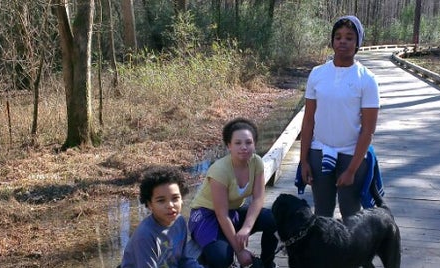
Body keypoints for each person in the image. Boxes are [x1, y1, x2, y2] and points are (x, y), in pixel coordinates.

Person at [299, 15, 381, 219]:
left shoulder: (367, 79)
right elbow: (308, 120)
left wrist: (352, 169)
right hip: (319, 151)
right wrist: (304, 160)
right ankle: (324, 252)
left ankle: (351, 253)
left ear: (357, 43)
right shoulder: (317, 74)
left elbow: (368, 130)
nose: (342, 41)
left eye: (349, 37)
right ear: (333, 41)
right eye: (338, 37)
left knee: (351, 215)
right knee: (322, 214)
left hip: (351, 154)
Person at [188, 118, 278, 268]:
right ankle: (213, 249)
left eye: (248, 142)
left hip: (232, 212)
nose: (244, 147)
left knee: (273, 219)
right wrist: (240, 250)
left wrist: (247, 228)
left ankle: (267, 263)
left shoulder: (256, 163)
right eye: (238, 143)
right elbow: (221, 214)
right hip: (206, 215)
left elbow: (258, 198)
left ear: (254, 144)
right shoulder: (220, 170)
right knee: (221, 258)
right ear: (229, 145)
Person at [120, 166, 203, 268]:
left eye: (175, 198)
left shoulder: (180, 221)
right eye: (161, 200)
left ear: (182, 198)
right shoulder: (145, 236)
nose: (170, 205)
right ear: (150, 204)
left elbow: (183, 259)